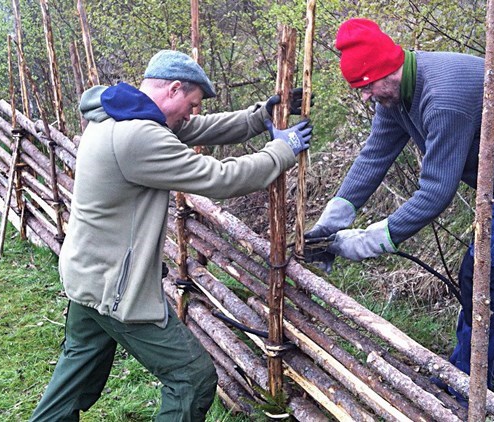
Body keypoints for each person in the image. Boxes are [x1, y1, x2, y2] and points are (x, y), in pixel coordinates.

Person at [305, 18, 494, 398]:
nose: (366, 97)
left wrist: (370, 241)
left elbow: (436, 192)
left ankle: (473, 385)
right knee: (477, 271)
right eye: (359, 90)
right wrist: (333, 218)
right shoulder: (396, 94)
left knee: (490, 270)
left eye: (367, 86)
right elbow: (374, 156)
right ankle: (464, 370)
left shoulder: (443, 99)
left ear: (388, 68)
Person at [30, 49, 312, 421]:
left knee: (73, 384)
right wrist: (282, 149)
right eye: (191, 104)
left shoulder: (116, 112)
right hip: (115, 287)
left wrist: (260, 117)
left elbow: (198, 129)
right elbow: (219, 178)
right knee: (192, 378)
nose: (191, 114)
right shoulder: (137, 136)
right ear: (174, 88)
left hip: (87, 274)